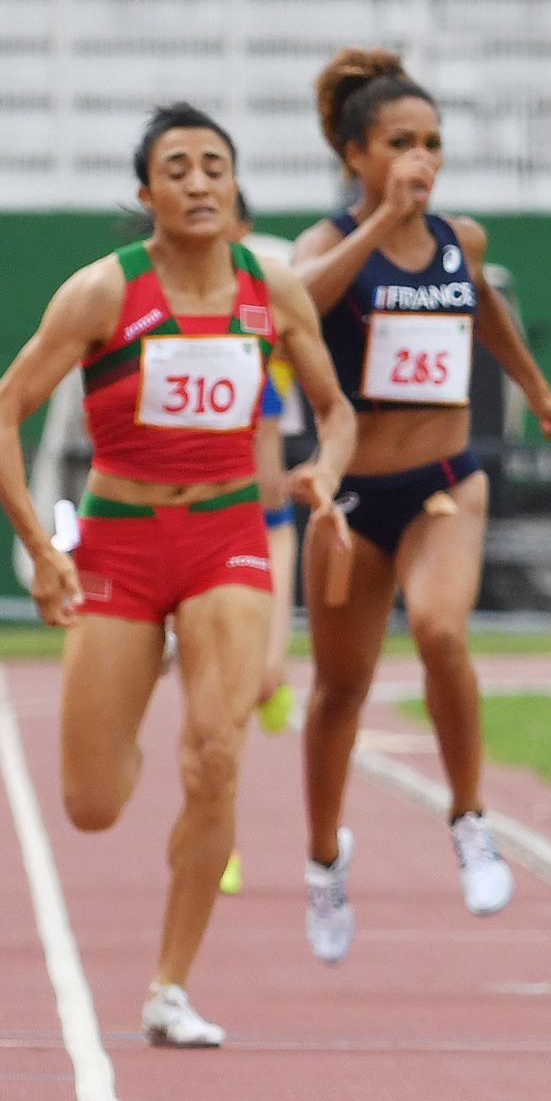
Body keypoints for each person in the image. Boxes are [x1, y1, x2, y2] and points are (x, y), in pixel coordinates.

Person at [0, 103, 355, 1047]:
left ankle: (170, 986)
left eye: (213, 165)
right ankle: (133, 718)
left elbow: (337, 409)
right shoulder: (103, 292)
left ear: (233, 186)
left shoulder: (274, 287)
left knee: (217, 757)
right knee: (93, 804)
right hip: (121, 538)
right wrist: (44, 548)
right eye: (176, 168)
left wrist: (325, 475)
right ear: (147, 195)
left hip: (227, 534)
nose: (197, 182)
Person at [291, 49, 551, 964]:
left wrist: (536, 391)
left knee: (442, 632)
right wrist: (381, 220)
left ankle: (469, 817)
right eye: (401, 143)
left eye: (433, 143)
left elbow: (483, 313)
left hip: (445, 482)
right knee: (340, 688)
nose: (422, 158)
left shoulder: (462, 237)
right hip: (349, 496)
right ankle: (325, 858)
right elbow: (297, 304)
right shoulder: (320, 243)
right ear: (356, 153)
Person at [219, 192, 302, 897]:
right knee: (222, 693)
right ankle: (222, 840)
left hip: (269, 521)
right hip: (206, 521)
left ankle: (278, 681)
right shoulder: (156, 305)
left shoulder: (272, 297)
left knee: (264, 676)